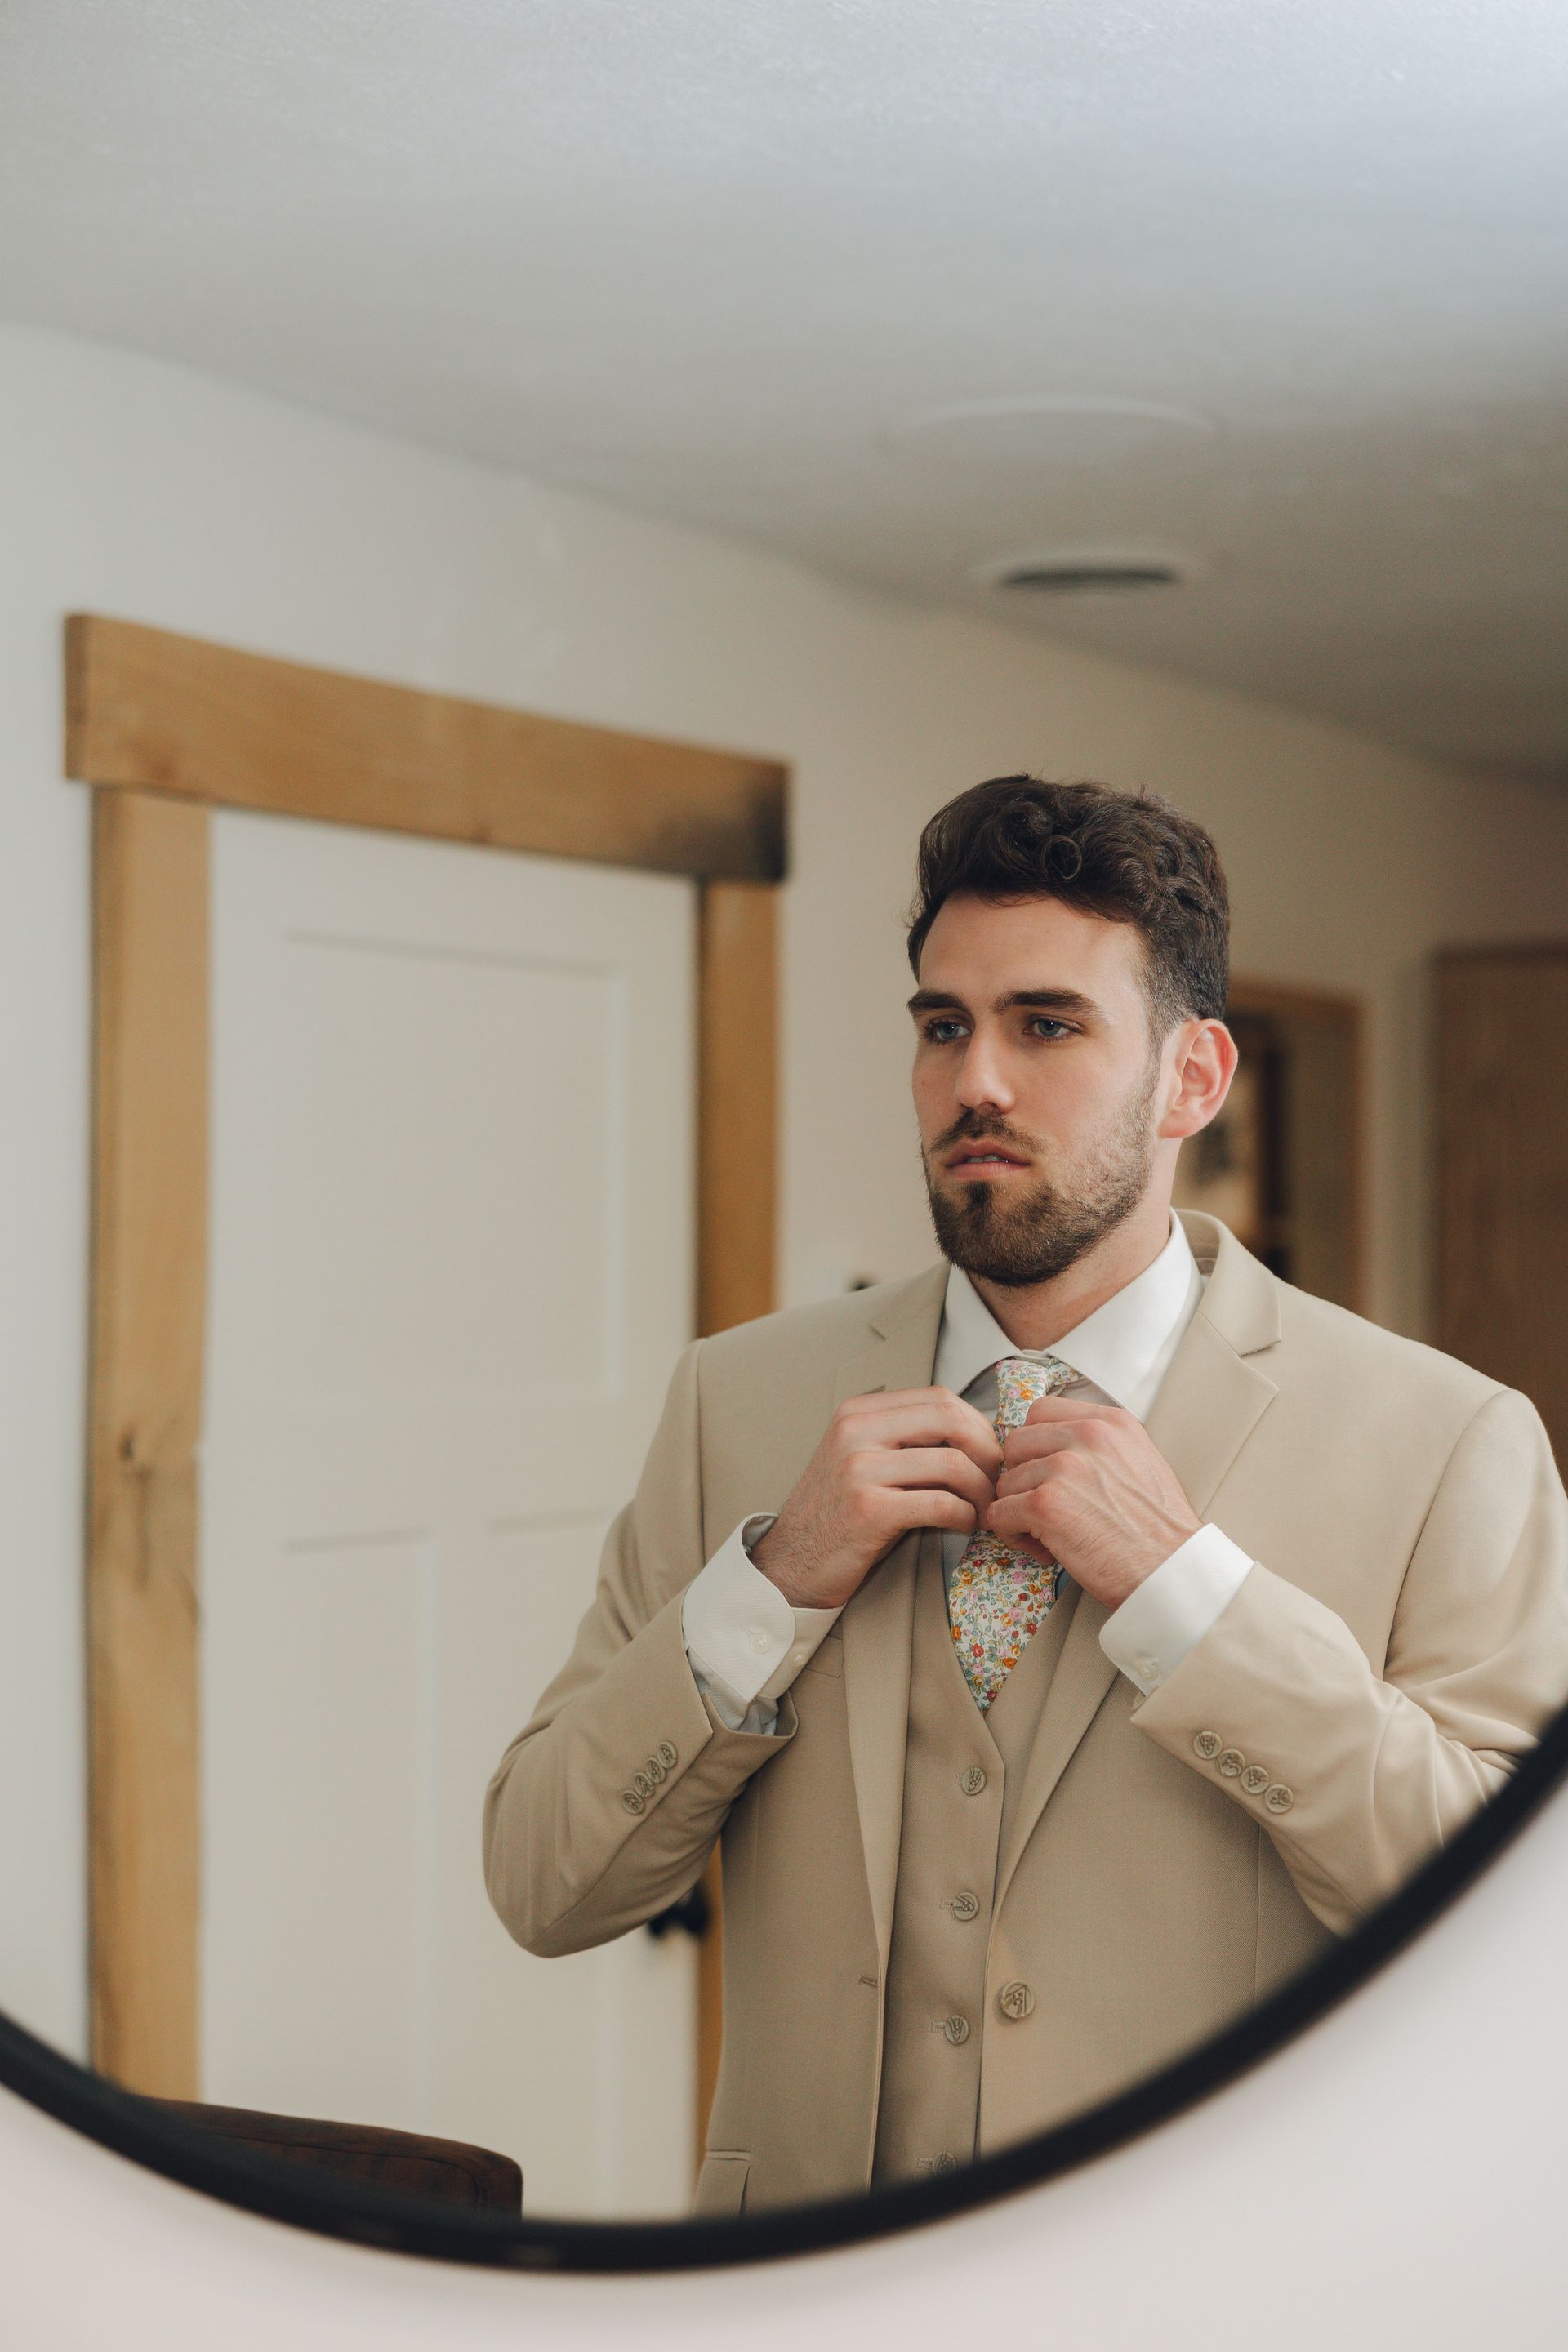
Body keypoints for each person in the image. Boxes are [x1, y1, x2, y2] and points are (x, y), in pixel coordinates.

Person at [483, 775, 1568, 2216]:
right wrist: (771, 1583)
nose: (975, 1082)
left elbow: (1514, 1948)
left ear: (1194, 1076)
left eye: (1046, 1025)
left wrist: (1197, 1602)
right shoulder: (735, 1405)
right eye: (945, 1028)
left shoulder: (1449, 1441)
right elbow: (546, 1884)